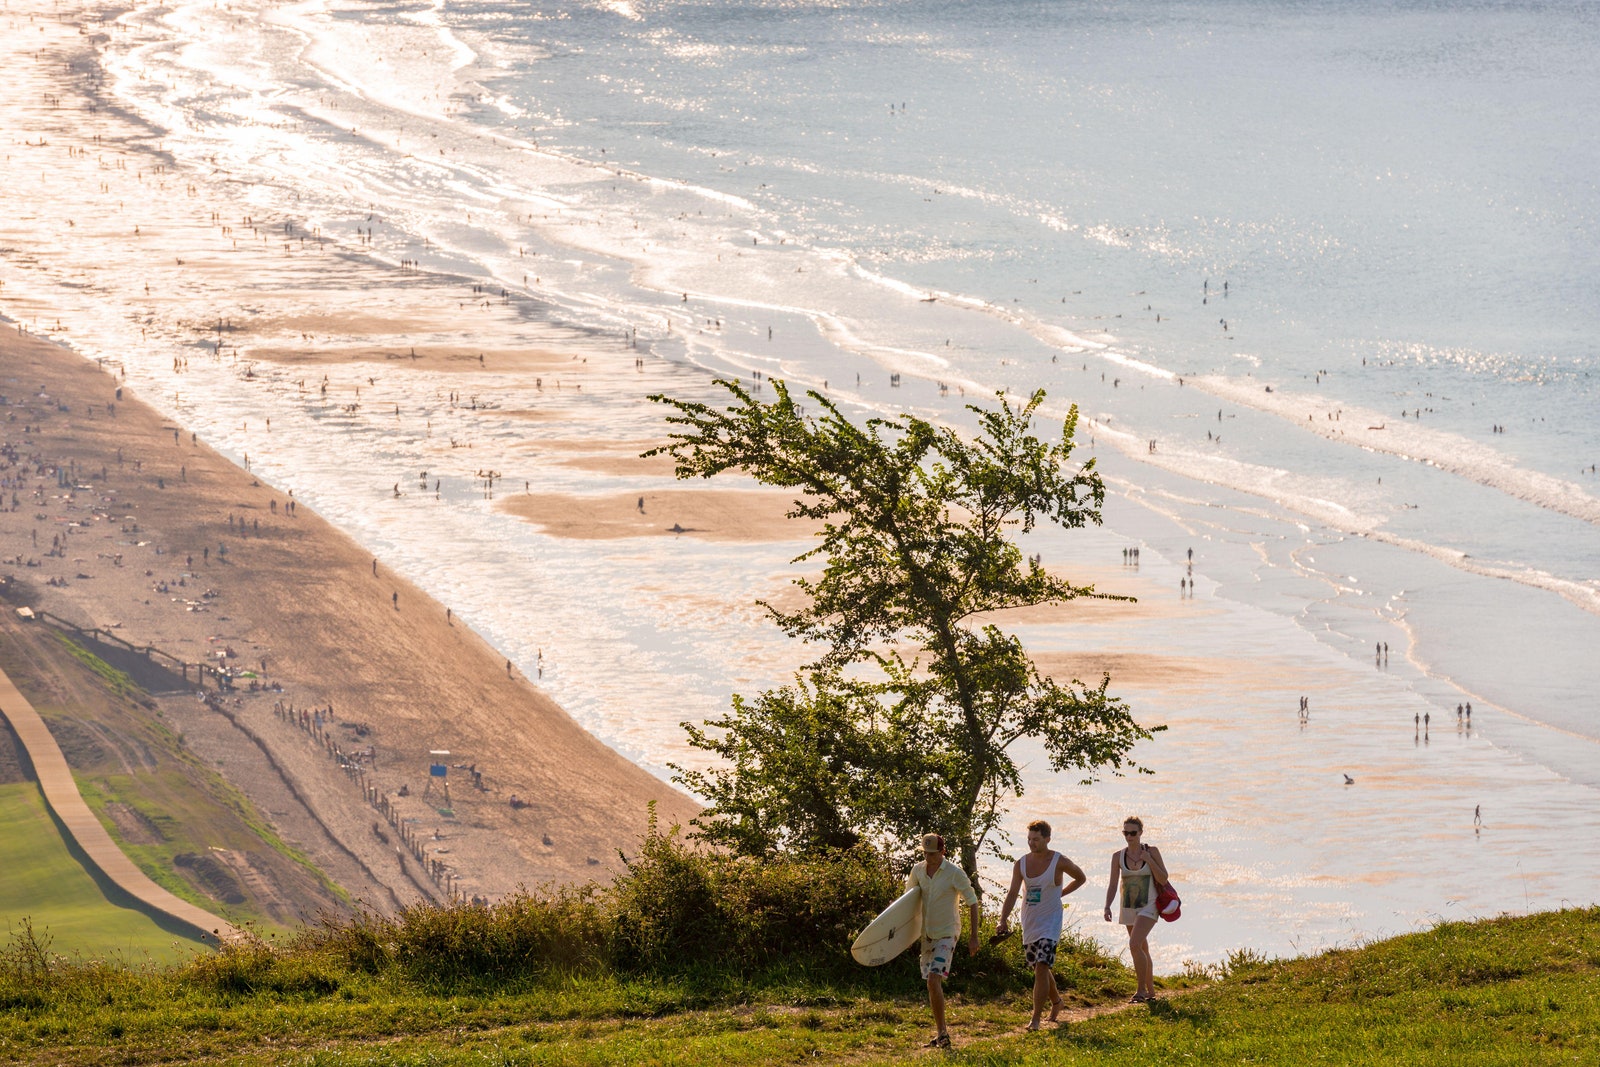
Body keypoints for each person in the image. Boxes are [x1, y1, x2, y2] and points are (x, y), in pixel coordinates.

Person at [997, 820, 1087, 1030]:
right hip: (1030, 921)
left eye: (1036, 839)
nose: (1032, 843)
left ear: (1047, 839)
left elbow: (1081, 878)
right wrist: (1003, 919)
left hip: (1050, 922)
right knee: (1039, 967)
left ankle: (1035, 1018)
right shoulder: (1021, 863)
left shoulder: (1059, 861)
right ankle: (1057, 1002)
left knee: (1042, 966)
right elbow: (1012, 893)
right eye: (1029, 839)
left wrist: (1061, 893)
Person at [906, 833, 980, 1049]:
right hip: (927, 934)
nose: (929, 858)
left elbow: (972, 902)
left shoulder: (954, 874)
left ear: (942, 852)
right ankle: (941, 1033)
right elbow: (907, 902)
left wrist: (974, 936)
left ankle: (943, 1034)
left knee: (933, 980)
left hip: (948, 933)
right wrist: (905, 936)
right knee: (931, 985)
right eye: (926, 854)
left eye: (933, 854)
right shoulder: (918, 871)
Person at [1103, 817, 1169, 1003]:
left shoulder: (1152, 851)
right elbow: (1113, 884)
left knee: (1134, 944)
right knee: (1141, 947)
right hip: (1129, 906)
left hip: (1149, 905)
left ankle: (1140, 991)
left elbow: (1163, 879)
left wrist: (1149, 860)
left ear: (1141, 832)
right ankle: (1151, 991)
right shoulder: (1118, 856)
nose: (1129, 836)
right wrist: (1107, 905)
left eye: (1133, 833)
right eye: (1126, 833)